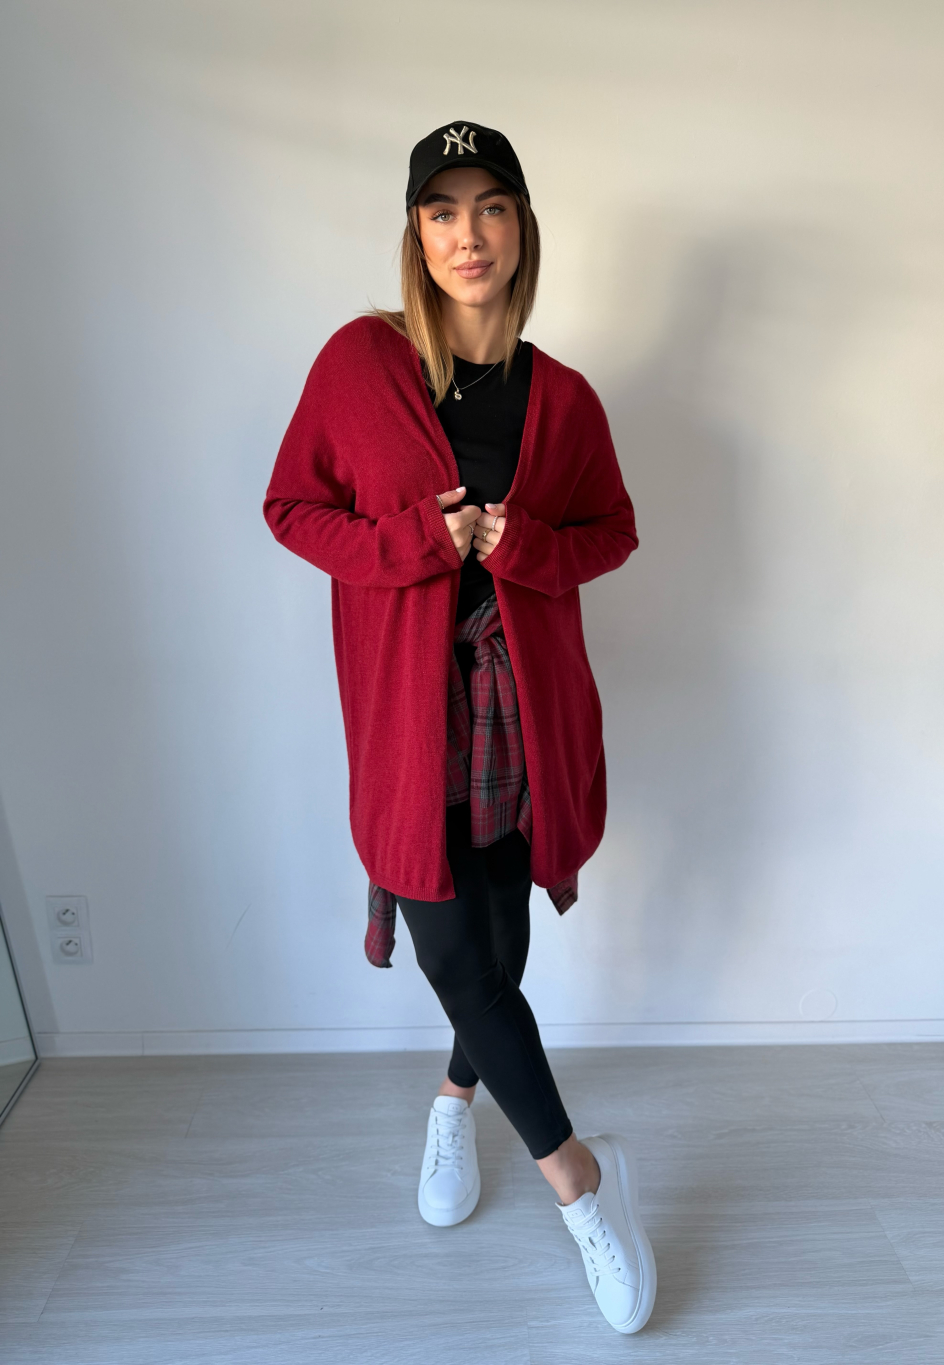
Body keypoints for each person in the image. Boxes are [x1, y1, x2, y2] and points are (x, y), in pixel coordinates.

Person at [263, 120, 655, 1334]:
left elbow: (611, 531)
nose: (467, 233)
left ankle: (453, 1101)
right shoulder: (359, 363)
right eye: (441, 210)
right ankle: (582, 1184)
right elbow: (291, 507)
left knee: (495, 934)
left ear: (521, 228)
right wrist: (414, 542)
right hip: (405, 710)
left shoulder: (566, 398)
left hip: (522, 709)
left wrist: (520, 545)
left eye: (490, 206)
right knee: (450, 949)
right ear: (415, 234)